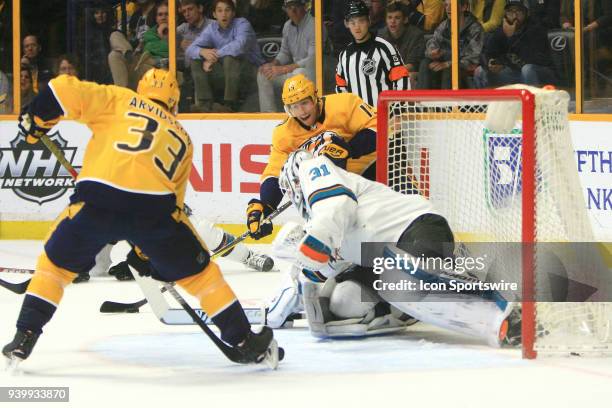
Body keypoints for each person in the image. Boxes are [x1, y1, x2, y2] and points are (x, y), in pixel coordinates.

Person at [2, 68, 282, 369]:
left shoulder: (120, 99)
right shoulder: (183, 138)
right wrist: (150, 253)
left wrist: (38, 119)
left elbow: (60, 88)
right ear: (174, 103)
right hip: (154, 212)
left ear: (140, 90)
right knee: (202, 277)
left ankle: (24, 337)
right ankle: (243, 339)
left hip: (97, 200)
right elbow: (176, 206)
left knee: (54, 269)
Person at [267, 147, 519, 346]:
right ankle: (405, 308)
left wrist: (313, 242)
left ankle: (501, 308)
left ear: (294, 183)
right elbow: (323, 272)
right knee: (344, 302)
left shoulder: (313, 168)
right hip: (381, 259)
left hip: (416, 227)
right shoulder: (323, 225)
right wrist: (295, 293)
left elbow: (336, 204)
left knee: (397, 282)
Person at [245, 74, 377, 242]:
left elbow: (380, 128)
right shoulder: (284, 134)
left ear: (315, 97)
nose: (301, 111)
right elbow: (275, 173)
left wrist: (349, 149)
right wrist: (266, 205)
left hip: (373, 171)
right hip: (336, 191)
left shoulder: (345, 104)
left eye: (305, 103)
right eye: (293, 107)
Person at [186, 0, 264, 112]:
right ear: (214, 14)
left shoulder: (242, 23)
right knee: (196, 59)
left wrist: (214, 56)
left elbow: (239, 46)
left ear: (233, 13)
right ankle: (204, 104)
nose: (224, 14)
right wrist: (202, 51)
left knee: (229, 58)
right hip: (227, 75)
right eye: (220, 10)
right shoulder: (211, 28)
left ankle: (230, 105)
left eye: (227, 10)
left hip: (251, 73)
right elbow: (190, 49)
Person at [335, 0, 410, 107]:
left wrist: (398, 112)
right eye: (352, 22)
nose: (357, 27)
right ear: (346, 24)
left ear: (369, 21)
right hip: (358, 121)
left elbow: (402, 80)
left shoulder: (384, 48)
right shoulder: (344, 55)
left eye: (361, 21)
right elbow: (341, 87)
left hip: (385, 118)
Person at [473, 0, 556, 88]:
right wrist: (491, 64)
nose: (514, 15)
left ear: (526, 13)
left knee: (527, 69)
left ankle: (533, 100)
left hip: (539, 73)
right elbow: (486, 54)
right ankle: (488, 101)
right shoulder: (501, 30)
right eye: (510, 11)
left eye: (518, 11)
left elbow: (530, 59)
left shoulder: (536, 29)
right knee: (480, 71)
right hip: (514, 74)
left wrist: (510, 37)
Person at [257, 0, 316, 113]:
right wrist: (273, 64)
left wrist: (284, 69)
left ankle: (302, 114)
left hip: (315, 72)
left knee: (299, 74)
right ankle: (269, 116)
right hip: (295, 71)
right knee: (263, 74)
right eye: (289, 7)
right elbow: (285, 52)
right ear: (285, 9)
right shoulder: (287, 26)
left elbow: (313, 59)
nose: (293, 10)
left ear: (304, 7)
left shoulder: (314, 25)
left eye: (296, 6)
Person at [416, 0, 483, 89]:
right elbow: (432, 42)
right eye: (446, 5)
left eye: (452, 5)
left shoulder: (475, 28)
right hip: (446, 63)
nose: (448, 8)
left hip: (464, 68)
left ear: (464, 7)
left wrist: (448, 64)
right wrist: (433, 52)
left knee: (450, 71)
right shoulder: (444, 25)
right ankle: (422, 100)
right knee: (425, 63)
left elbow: (472, 59)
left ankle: (448, 102)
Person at [378, 1, 425, 83]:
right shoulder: (381, 36)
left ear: (405, 19)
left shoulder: (416, 35)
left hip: (410, 73)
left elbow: (412, 65)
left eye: (397, 18)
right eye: (389, 17)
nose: (392, 21)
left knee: (409, 76)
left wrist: (390, 74)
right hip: (388, 73)